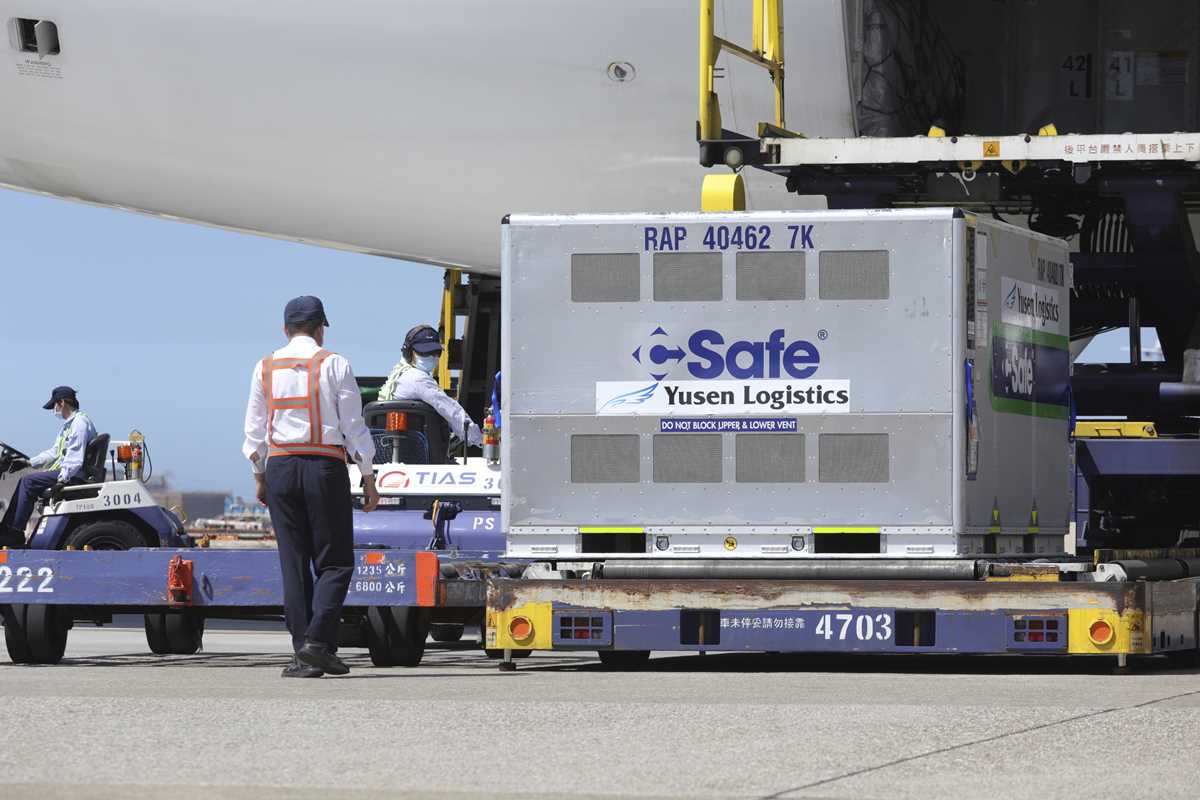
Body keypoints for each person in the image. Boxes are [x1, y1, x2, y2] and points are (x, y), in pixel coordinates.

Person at [242, 296, 380, 679]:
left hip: (280, 467)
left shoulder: (264, 366)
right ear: (320, 329)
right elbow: (354, 426)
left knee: (294, 563)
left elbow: (254, 431)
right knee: (335, 562)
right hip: (324, 467)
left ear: (285, 329)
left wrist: (259, 475)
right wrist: (368, 476)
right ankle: (317, 643)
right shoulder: (335, 364)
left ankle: (305, 654)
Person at [0, 386, 97, 548]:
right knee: (26, 481)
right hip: (67, 473)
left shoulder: (79, 424)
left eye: (54, 405)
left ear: (62, 402)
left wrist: (62, 480)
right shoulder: (68, 425)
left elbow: (74, 459)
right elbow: (54, 453)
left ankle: (13, 532)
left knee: (28, 482)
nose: (54, 409)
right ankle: (8, 529)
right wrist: (29, 462)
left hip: (72, 475)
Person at [378, 324, 484, 448]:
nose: (432, 357)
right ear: (409, 353)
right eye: (425, 352)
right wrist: (479, 439)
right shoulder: (418, 378)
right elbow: (450, 409)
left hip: (389, 447)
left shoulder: (398, 375)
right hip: (413, 451)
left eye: (436, 352)